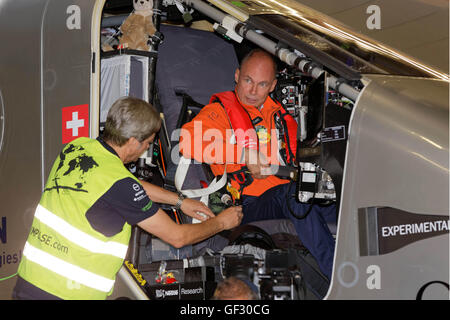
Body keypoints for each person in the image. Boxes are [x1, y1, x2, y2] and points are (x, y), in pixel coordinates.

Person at [12, 96, 243, 300]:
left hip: (29, 282)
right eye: (148, 142)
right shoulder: (119, 184)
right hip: (68, 293)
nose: (146, 148)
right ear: (134, 141)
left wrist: (180, 201)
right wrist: (222, 222)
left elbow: (121, 184)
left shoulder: (78, 147)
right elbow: (177, 237)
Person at [179, 49, 336, 279]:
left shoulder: (285, 118)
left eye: (262, 84)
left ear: (272, 86)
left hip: (288, 194)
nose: (253, 91)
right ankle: (338, 276)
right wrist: (244, 155)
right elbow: (187, 141)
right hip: (246, 205)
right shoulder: (219, 112)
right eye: (248, 80)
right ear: (236, 76)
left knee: (335, 193)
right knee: (295, 193)